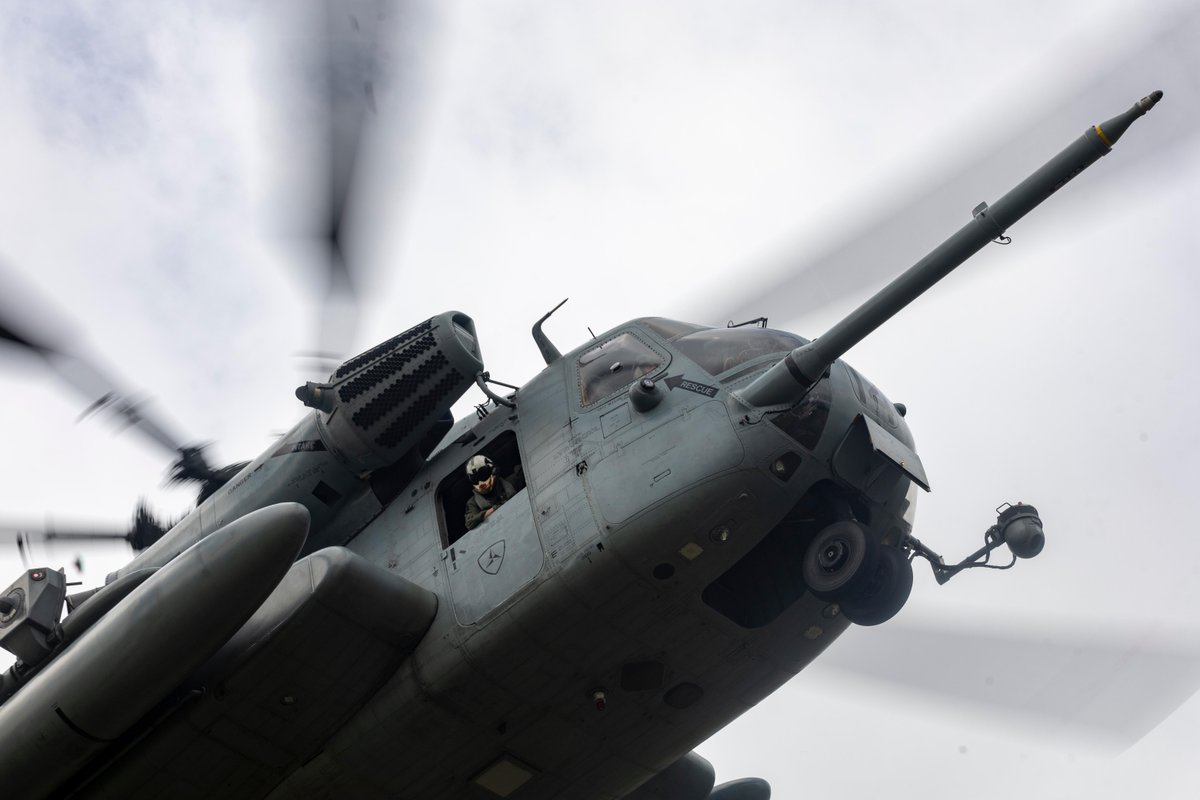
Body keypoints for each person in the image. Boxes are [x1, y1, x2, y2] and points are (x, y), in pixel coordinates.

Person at [464, 455, 518, 531]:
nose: (480, 482)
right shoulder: (473, 503)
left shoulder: (512, 481)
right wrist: (494, 509)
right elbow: (470, 522)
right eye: (475, 479)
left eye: (482, 475)